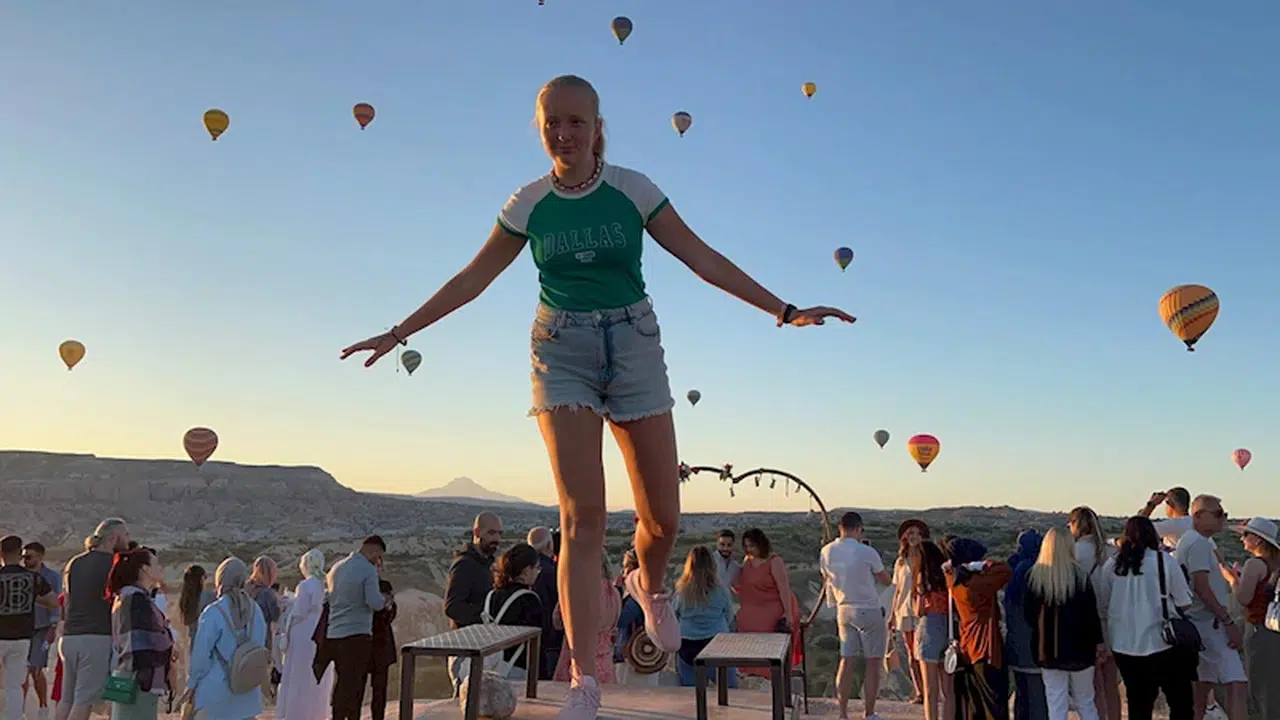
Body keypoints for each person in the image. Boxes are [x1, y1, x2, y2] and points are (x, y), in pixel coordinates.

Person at [339, 73, 854, 720]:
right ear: (541, 128)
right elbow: (472, 278)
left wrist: (783, 310)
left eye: (576, 121)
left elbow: (701, 257)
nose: (564, 132)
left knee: (661, 519)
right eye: (552, 121)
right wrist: (397, 333)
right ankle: (585, 681)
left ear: (597, 126)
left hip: (634, 344)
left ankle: (650, 582)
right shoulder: (528, 204)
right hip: (561, 351)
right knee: (581, 519)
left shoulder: (633, 191)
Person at [1094, 516, 1195, 720]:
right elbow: (1185, 601)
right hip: (1162, 642)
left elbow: (1103, 605)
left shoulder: (1111, 566)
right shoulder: (1165, 562)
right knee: (1180, 701)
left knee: (1138, 703)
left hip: (1124, 644)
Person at [1174, 495, 1246, 720]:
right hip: (1209, 624)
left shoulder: (1189, 541)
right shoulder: (1198, 544)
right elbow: (1202, 587)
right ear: (1197, 516)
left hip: (1197, 623)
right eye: (1217, 514)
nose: (1223, 518)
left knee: (1202, 688)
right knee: (1237, 683)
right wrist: (1227, 621)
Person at [1022, 528, 1103, 720]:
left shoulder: (1035, 578)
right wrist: (1098, 643)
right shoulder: (1081, 577)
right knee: (1086, 701)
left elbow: (1029, 616)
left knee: (1056, 702)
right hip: (1081, 650)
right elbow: (1091, 616)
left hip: (1048, 649)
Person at [57, 518, 131, 720]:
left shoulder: (75, 562)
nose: (128, 539)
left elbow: (67, 600)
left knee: (67, 699)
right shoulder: (114, 565)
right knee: (83, 701)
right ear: (113, 538)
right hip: (96, 636)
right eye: (125, 535)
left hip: (70, 637)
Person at [819, 512, 891, 720]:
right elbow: (885, 579)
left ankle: (842, 713)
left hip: (843, 608)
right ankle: (869, 713)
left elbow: (826, 579)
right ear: (859, 529)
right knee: (873, 663)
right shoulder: (866, 551)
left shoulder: (826, 551)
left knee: (846, 660)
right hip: (868, 607)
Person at [185, 558, 267, 720]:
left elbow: (201, 657)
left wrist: (191, 685)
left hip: (217, 695)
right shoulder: (255, 610)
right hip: (247, 693)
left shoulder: (214, 612)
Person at [944, 538, 1012, 720]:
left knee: (976, 706)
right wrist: (982, 565)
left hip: (969, 648)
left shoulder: (954, 580)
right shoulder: (975, 586)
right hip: (986, 648)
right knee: (994, 706)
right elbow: (1004, 570)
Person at [105, 548, 172, 720]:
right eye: (155, 563)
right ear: (144, 569)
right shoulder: (136, 598)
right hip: (139, 678)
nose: (160, 568)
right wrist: (168, 638)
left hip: (122, 671)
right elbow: (146, 640)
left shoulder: (126, 596)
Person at [1223, 517, 1280, 719]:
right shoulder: (1276, 562)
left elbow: (1244, 599)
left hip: (1259, 629)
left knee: (1261, 687)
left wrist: (1232, 580)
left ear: (1258, 540)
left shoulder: (1254, 564)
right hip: (1276, 627)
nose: (1242, 539)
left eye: (1246, 535)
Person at [325, 536, 387, 720]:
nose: (378, 560)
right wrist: (385, 601)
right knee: (354, 686)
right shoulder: (367, 570)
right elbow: (374, 602)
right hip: (356, 635)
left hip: (334, 634)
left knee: (341, 683)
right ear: (374, 551)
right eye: (379, 556)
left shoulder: (337, 567)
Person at [1068, 506, 1121, 720]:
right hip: (1113, 620)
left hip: (1086, 623)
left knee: (1093, 685)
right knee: (1111, 682)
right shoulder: (1110, 552)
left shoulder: (1073, 552)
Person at [1, 535, 59, 720]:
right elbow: (53, 602)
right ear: (20, 553)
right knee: (14, 685)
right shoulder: (34, 578)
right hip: (22, 637)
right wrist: (32, 597)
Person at [276, 549, 333, 720]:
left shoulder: (305, 585)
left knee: (298, 675)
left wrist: (289, 607)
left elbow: (300, 611)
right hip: (320, 633)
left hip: (302, 634)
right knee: (315, 677)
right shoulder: (324, 585)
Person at [671, 547, 736, 689]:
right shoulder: (721, 591)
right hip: (717, 644)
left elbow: (674, 616)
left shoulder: (682, 592)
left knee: (691, 694)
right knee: (730, 691)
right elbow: (729, 616)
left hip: (688, 645)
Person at [736, 528, 796, 677]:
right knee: (742, 620)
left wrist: (788, 613)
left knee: (763, 626)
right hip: (753, 605)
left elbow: (783, 587)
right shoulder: (747, 560)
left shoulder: (774, 561)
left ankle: (767, 672)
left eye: (752, 546)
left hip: (773, 604)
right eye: (747, 546)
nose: (750, 549)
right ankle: (748, 670)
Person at [553, 555, 620, 685]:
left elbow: (557, 622)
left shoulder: (578, 591)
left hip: (578, 659)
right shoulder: (614, 592)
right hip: (605, 659)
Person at [1004, 530, 1048, 720]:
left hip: (1015, 642)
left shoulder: (1012, 569)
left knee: (1022, 693)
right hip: (1035, 644)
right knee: (1038, 696)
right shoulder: (1039, 571)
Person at [484, 543, 544, 679]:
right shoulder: (529, 600)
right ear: (527, 570)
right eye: (537, 568)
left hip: (493, 665)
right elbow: (537, 640)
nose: (537, 573)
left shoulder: (493, 595)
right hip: (519, 668)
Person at [887, 519, 929, 705]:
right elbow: (897, 590)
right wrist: (891, 614)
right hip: (904, 610)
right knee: (912, 654)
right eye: (910, 533)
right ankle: (920, 691)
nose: (913, 536)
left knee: (924, 653)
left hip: (922, 611)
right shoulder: (901, 561)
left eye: (917, 533)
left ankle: (930, 690)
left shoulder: (927, 559)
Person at [20, 541, 62, 720]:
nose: (25, 560)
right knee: (22, 670)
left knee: (36, 668)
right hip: (22, 627)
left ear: (39, 556)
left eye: (29, 556)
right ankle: (20, 709)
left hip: (42, 627)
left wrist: (53, 627)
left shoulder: (51, 577)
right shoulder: (20, 576)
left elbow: (56, 603)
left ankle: (43, 706)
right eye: (23, 556)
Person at [912, 541, 953, 720]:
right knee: (948, 690)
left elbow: (918, 611)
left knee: (930, 690)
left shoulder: (923, 578)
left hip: (929, 626)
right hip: (947, 627)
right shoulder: (948, 576)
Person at [444, 513, 502, 629]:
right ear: (476, 532)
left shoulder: (489, 564)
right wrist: (486, 615)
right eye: (491, 533)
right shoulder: (465, 565)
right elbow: (452, 607)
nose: (497, 538)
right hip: (469, 641)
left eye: (499, 533)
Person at [527, 527, 563, 679]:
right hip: (552, 641)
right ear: (549, 546)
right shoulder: (555, 573)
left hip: (528, 640)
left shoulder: (524, 571)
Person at [368, 577, 397, 720]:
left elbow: (390, 614)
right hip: (362, 643)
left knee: (379, 691)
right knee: (355, 689)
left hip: (381, 644)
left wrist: (389, 607)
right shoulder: (362, 583)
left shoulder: (385, 585)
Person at [177, 565, 214, 652]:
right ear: (201, 579)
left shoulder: (185, 598)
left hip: (192, 643)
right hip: (207, 643)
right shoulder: (208, 597)